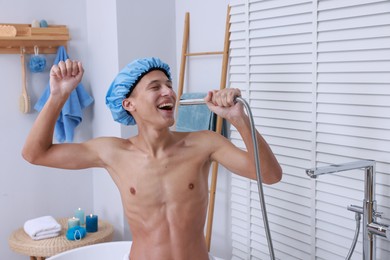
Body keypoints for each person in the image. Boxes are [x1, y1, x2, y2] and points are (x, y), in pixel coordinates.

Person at [22, 57, 282, 260]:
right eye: (155, 87)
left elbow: (270, 175)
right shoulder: (113, 152)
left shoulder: (204, 143)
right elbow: (35, 153)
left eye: (169, 85)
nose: (168, 92)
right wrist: (58, 96)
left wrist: (239, 119)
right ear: (129, 105)